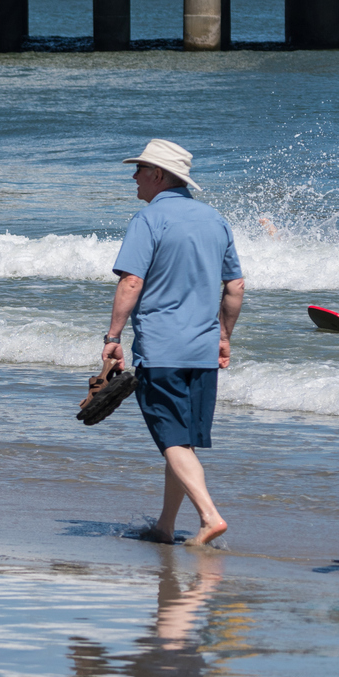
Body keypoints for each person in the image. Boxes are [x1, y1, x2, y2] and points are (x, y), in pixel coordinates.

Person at [102, 139, 244, 547]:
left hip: (162, 349)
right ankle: (165, 526)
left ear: (159, 175)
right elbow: (234, 286)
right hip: (201, 351)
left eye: (140, 169)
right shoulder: (215, 219)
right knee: (180, 442)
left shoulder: (148, 220)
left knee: (172, 440)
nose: (134, 176)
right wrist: (224, 336)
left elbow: (132, 281)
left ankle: (210, 516)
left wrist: (113, 337)